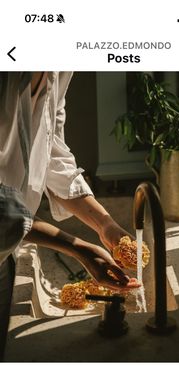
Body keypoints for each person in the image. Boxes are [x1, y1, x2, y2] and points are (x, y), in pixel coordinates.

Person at [0, 72, 139, 359]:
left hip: (6, 245)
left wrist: (104, 223)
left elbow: (52, 152)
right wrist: (79, 248)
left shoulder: (59, 68)